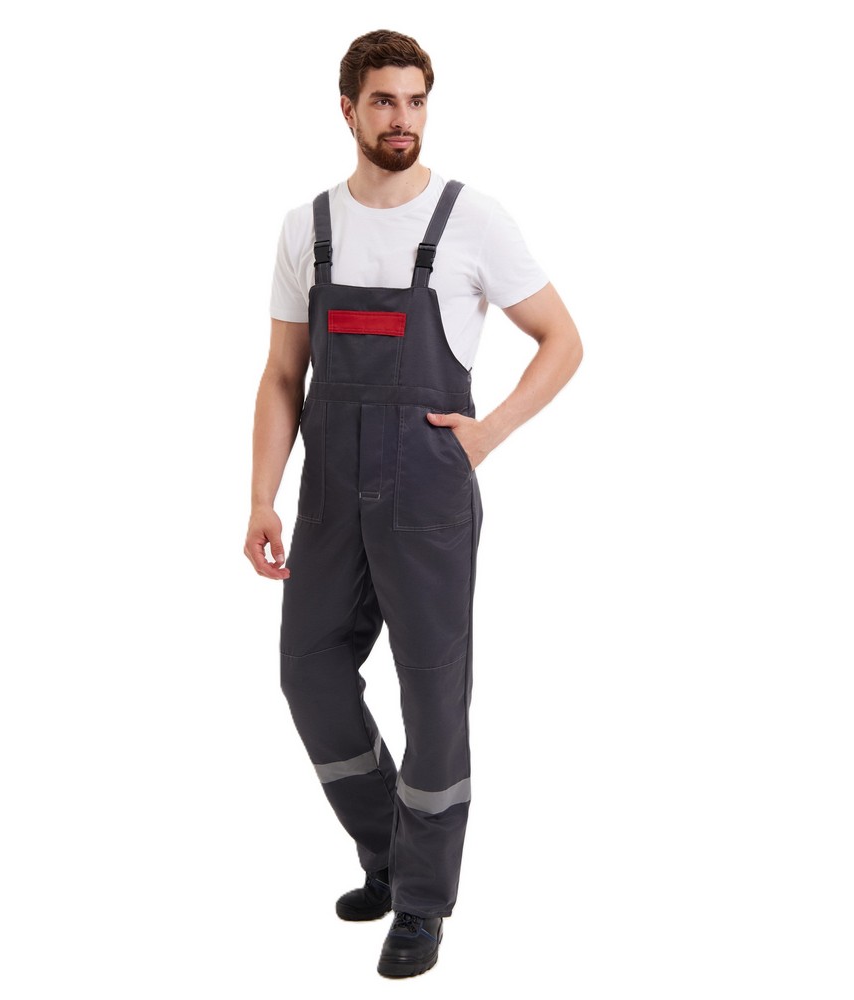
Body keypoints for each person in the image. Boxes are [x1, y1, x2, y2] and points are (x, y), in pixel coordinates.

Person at [244, 28, 582, 978]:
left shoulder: (472, 219)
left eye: (417, 101)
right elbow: (282, 374)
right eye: (385, 101)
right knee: (310, 674)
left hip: (428, 489)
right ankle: (389, 852)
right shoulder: (306, 226)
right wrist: (262, 495)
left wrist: (487, 433)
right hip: (327, 493)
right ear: (347, 109)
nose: (403, 119)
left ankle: (424, 904)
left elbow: (562, 339)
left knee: (433, 695)